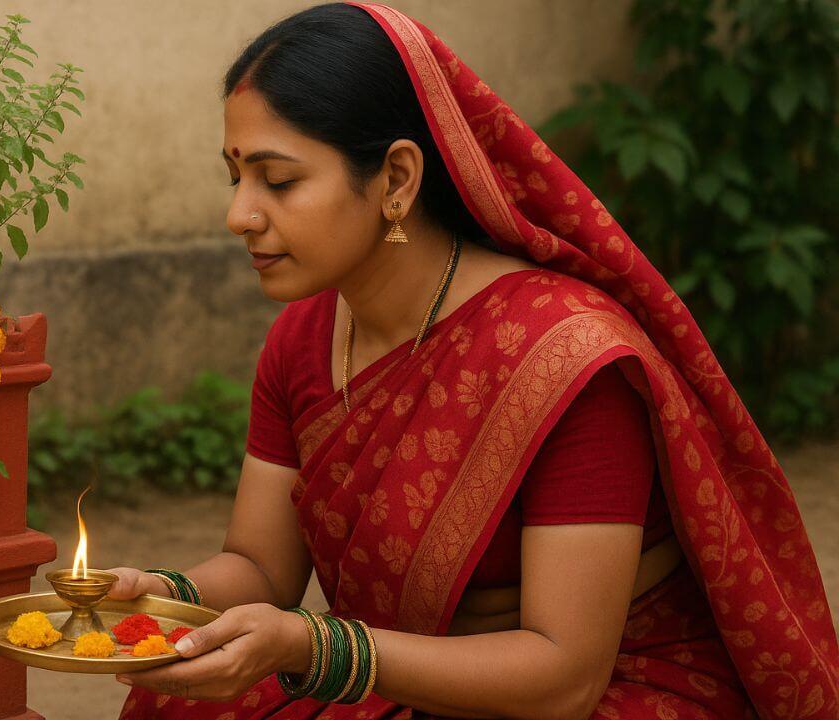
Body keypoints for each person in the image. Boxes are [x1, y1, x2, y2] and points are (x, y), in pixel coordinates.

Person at [107, 3, 839, 718]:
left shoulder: (562, 359)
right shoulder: (303, 339)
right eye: (234, 176)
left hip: (591, 690)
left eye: (279, 180)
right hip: (389, 671)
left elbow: (562, 678)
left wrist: (314, 648)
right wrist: (150, 596)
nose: (240, 214)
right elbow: (263, 570)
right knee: (167, 688)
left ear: (395, 180)